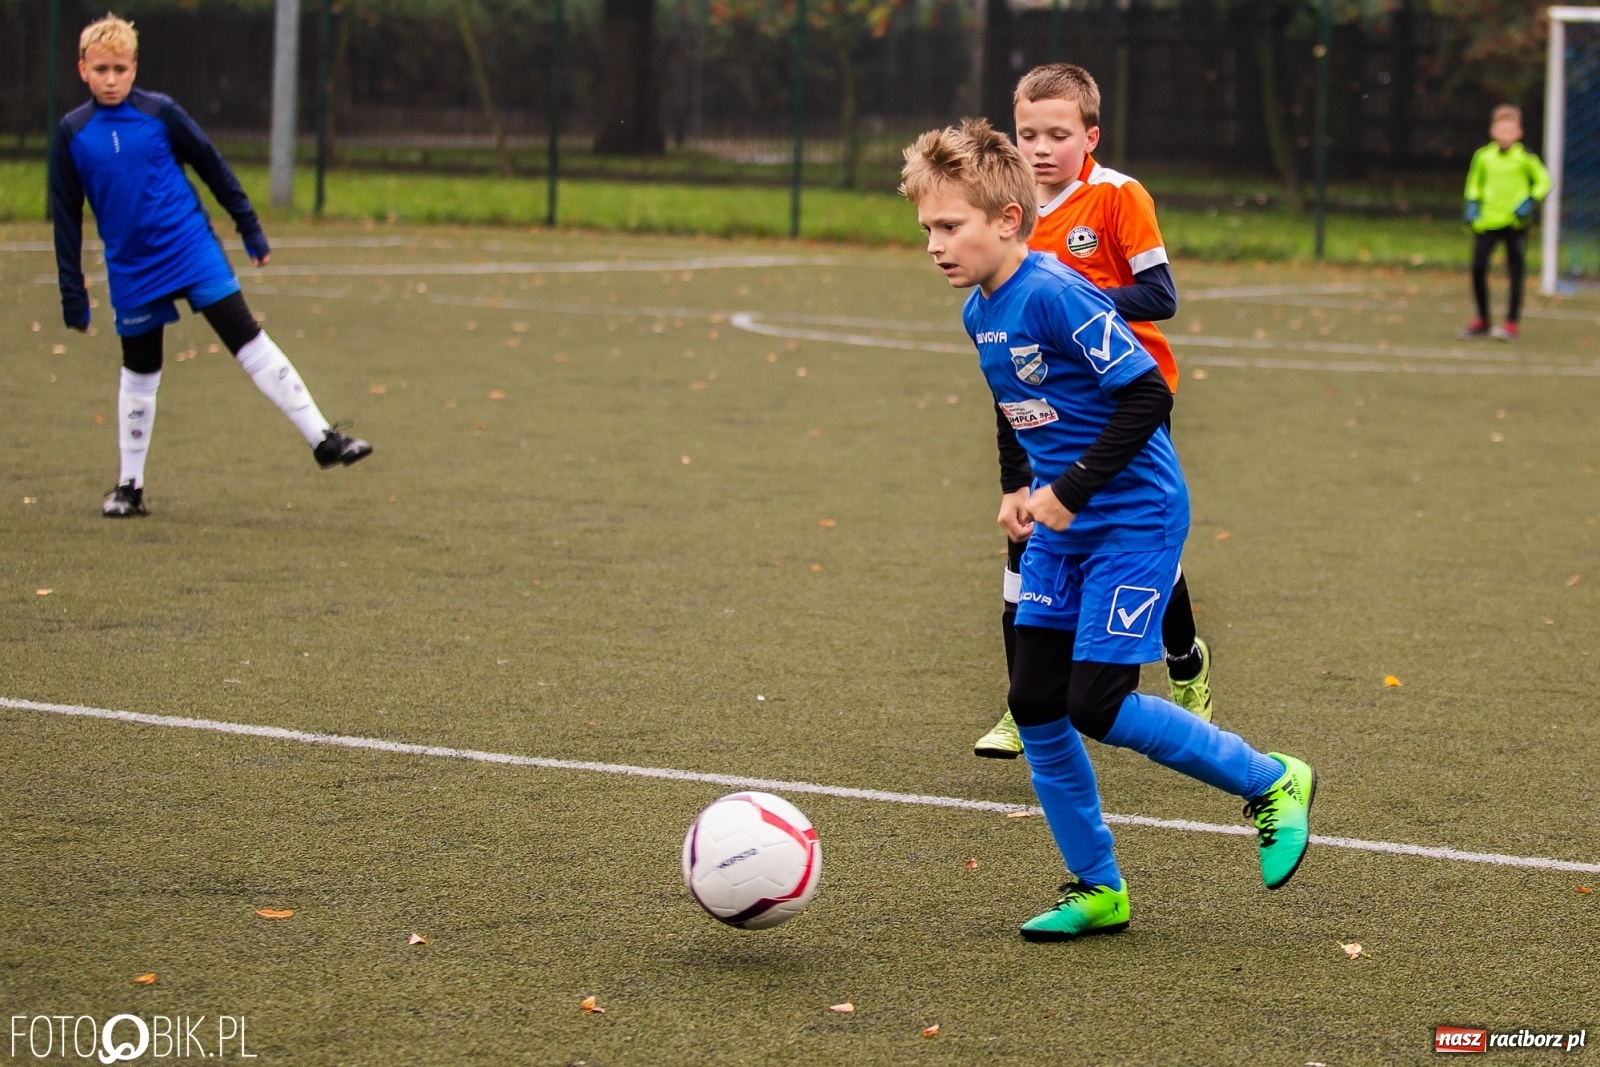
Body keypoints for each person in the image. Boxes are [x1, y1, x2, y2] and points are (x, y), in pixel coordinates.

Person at [901, 118, 1315, 940]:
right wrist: (1019, 486)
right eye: (927, 231)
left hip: (1134, 513)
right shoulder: (980, 311)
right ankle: (1099, 887)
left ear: (1008, 220)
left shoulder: (1058, 292)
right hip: (1066, 517)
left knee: (1097, 700)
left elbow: (1146, 397)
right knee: (1033, 697)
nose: (935, 246)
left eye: (951, 227)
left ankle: (1270, 780)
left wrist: (1074, 488)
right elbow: (1010, 407)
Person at [973, 63, 1210, 762]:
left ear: (1091, 136)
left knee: (1137, 545)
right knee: (1025, 537)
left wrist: (1078, 303)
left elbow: (1159, 295)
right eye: (1026, 135)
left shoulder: (1116, 197)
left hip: (1126, 395)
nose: (1040, 148)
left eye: (1057, 134)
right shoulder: (1011, 214)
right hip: (1041, 400)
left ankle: (1184, 658)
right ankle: (1026, 702)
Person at [51, 13, 371, 518]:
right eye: (100, 69)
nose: (110, 79)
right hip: (131, 267)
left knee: (246, 337)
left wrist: (249, 227)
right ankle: (128, 488)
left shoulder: (162, 114)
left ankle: (323, 438)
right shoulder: (72, 132)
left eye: (119, 68)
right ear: (82, 70)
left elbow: (212, 166)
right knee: (140, 369)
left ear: (134, 68)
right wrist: (73, 292)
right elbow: (66, 216)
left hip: (189, 247)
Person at [1458, 104, 1550, 342]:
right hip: (1487, 222)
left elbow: (1543, 181)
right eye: (1501, 129)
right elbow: (1474, 183)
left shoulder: (1526, 158)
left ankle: (1511, 323)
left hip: (1515, 224)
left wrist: (1530, 200)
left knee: (1515, 271)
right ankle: (1483, 319)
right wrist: (1472, 204)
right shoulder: (1483, 157)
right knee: (1478, 267)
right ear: (1493, 131)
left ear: (1519, 132)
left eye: (1510, 130)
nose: (1505, 135)